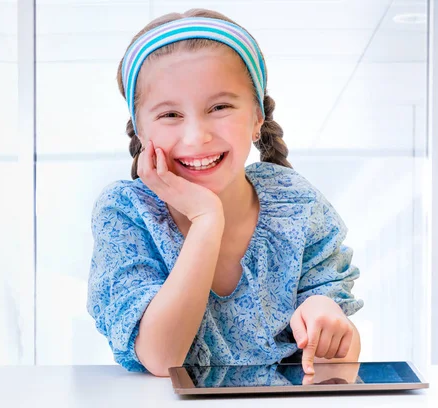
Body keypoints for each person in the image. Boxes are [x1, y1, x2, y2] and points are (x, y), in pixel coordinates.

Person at [86, 8, 364, 378]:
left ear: (256, 119)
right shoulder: (127, 213)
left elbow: (333, 371)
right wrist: (206, 220)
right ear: (140, 132)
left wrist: (325, 319)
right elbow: (160, 357)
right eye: (170, 115)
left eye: (219, 107)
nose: (196, 136)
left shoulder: (294, 203)